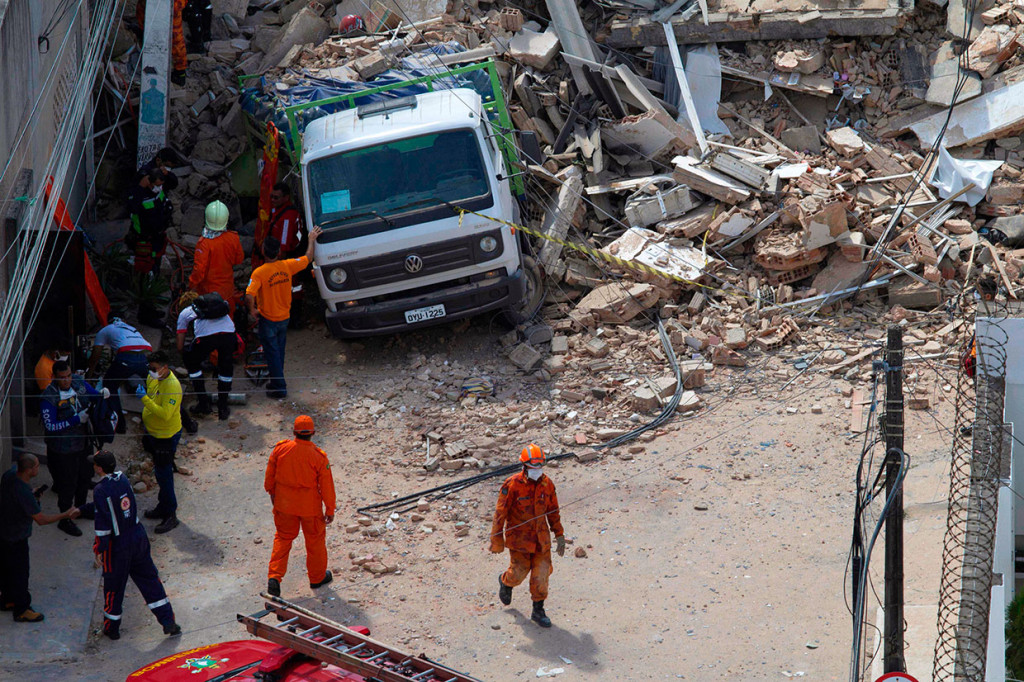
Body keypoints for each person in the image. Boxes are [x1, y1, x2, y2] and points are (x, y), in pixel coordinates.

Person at [82, 451, 181, 640]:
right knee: (150, 580)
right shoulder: (123, 479)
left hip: (118, 546)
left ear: (99, 468)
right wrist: (81, 510)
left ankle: (111, 628)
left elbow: (103, 527)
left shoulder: (100, 490)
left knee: (114, 587)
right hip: (138, 536)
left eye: (95, 464)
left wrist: (99, 550)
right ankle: (168, 621)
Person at [490, 444, 565, 629]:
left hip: (541, 541)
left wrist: (559, 534)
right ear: (524, 466)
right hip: (520, 541)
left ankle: (538, 610)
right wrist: (497, 541)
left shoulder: (547, 485)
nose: (537, 471)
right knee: (518, 574)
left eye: (539, 467)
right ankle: (505, 582)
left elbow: (553, 511)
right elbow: (500, 514)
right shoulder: (512, 485)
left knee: (541, 575)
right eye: (533, 467)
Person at [0, 455, 80, 623]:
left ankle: (7, 599)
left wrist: (32, 495)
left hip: (4, 532)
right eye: (36, 466)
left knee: (7, 570)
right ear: (29, 470)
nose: (38, 468)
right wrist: (65, 514)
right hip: (17, 537)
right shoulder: (23, 492)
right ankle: (22, 609)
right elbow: (41, 520)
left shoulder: (9, 475)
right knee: (21, 573)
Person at [245, 226, 321, 399]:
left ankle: (279, 387)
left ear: (263, 252)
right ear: (279, 252)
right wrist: (311, 239)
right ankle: (276, 380)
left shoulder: (259, 273)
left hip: (268, 319)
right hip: (284, 318)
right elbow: (308, 257)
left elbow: (249, 295)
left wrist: (252, 310)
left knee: (272, 353)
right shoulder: (287, 266)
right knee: (279, 351)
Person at [264, 415, 336, 596]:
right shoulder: (318, 457)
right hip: (309, 508)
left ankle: (274, 577)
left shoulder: (280, 450)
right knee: (315, 542)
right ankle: (317, 578)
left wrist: (272, 493)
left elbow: (269, 476)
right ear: (313, 433)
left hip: (284, 504)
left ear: (294, 432)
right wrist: (329, 509)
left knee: (283, 538)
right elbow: (327, 486)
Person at [40, 361, 107, 537]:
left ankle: (81, 509)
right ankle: (65, 519)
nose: (67, 380)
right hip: (63, 448)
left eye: (68, 376)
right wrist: (75, 420)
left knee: (85, 478)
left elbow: (92, 395)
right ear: (54, 377)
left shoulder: (78, 382)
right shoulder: (49, 397)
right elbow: (50, 426)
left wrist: (101, 395)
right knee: (67, 485)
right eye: (62, 378)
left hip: (83, 443)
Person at [136, 351, 182, 534]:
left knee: (164, 474)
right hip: (154, 434)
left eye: (154, 369)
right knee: (160, 472)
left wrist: (144, 400)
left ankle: (170, 514)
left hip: (166, 436)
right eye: (150, 368)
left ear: (165, 368)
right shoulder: (153, 377)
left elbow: (165, 414)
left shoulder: (173, 386)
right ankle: (163, 506)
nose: (151, 372)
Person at [176, 291, 237, 420]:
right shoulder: (216, 306)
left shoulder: (186, 312)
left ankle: (203, 404)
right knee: (226, 368)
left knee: (191, 362)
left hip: (207, 339)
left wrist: (188, 355)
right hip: (229, 335)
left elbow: (180, 345)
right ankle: (223, 407)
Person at [87, 315, 153, 432]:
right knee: (153, 387)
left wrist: (89, 376)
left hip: (126, 357)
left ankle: (120, 425)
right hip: (144, 356)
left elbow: (95, 356)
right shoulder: (131, 328)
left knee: (109, 385)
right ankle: (157, 418)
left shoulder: (105, 330)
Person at [188, 201, 244, 316]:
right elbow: (238, 260)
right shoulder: (233, 237)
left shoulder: (204, 243)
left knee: (210, 323)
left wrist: (192, 286)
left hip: (208, 293)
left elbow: (199, 271)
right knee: (228, 319)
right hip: (227, 290)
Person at [125, 169, 171, 276]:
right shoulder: (137, 195)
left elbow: (173, 183)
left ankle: (155, 276)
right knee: (143, 267)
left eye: (161, 185)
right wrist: (141, 188)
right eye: (157, 185)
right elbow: (133, 208)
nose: (159, 188)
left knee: (156, 262)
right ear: (148, 183)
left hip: (158, 236)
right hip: (144, 238)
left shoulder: (159, 192)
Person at [136, 0, 189, 86]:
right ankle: (144, 33)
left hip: (171, 5)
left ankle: (180, 72)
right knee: (142, 12)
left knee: (175, 37)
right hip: (156, 5)